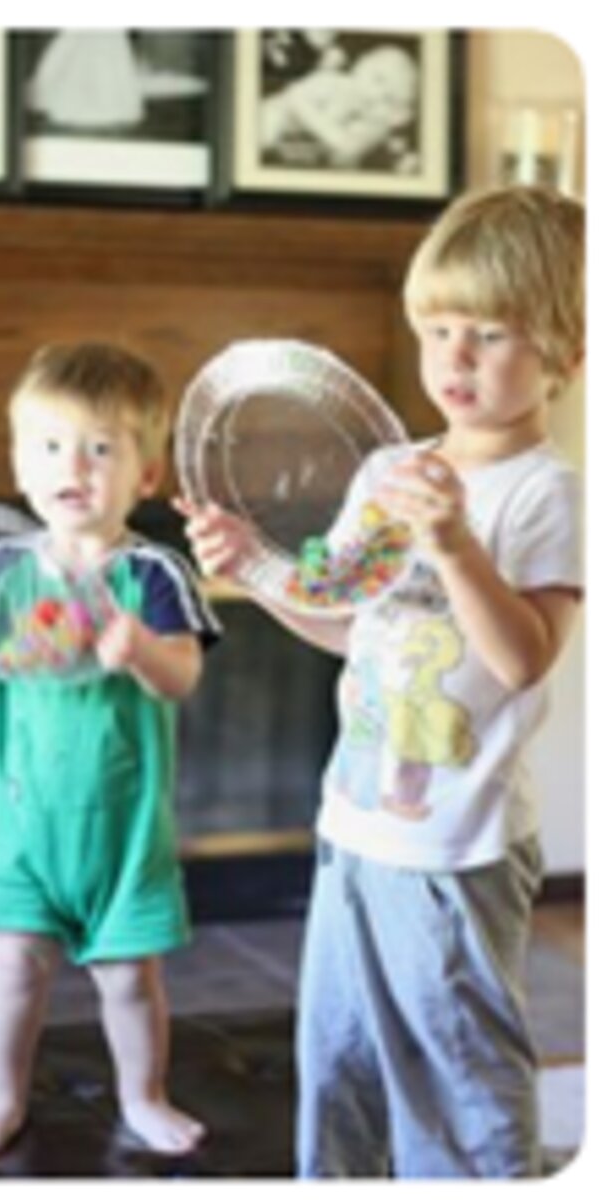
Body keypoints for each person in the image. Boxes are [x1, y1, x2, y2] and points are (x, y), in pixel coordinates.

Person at [177, 185, 584, 1178]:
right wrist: (254, 571)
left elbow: (523, 656)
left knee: (456, 1066)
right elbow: (345, 625)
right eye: (439, 329)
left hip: (455, 849)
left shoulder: (545, 493)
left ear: (564, 357)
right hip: (353, 823)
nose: (455, 357)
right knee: (340, 1056)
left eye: (491, 333)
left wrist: (452, 545)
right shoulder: (386, 473)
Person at [0, 342, 220, 1168]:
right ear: (20, 466)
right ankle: (1, 1097)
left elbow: (181, 677)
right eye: (51, 445)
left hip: (122, 830)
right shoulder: (2, 568)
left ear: (144, 474)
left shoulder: (154, 572)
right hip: (17, 823)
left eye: (100, 448)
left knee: (128, 979)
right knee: (14, 971)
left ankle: (143, 1096)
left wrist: (140, 649)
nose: (74, 466)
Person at [261, 42, 418, 171]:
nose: (375, 95)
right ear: (360, 65)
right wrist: (333, 135)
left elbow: (343, 157)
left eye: (388, 99)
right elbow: (295, 97)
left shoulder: (369, 124)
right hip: (278, 117)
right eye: (378, 79)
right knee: (270, 120)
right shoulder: (334, 83)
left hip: (293, 149)